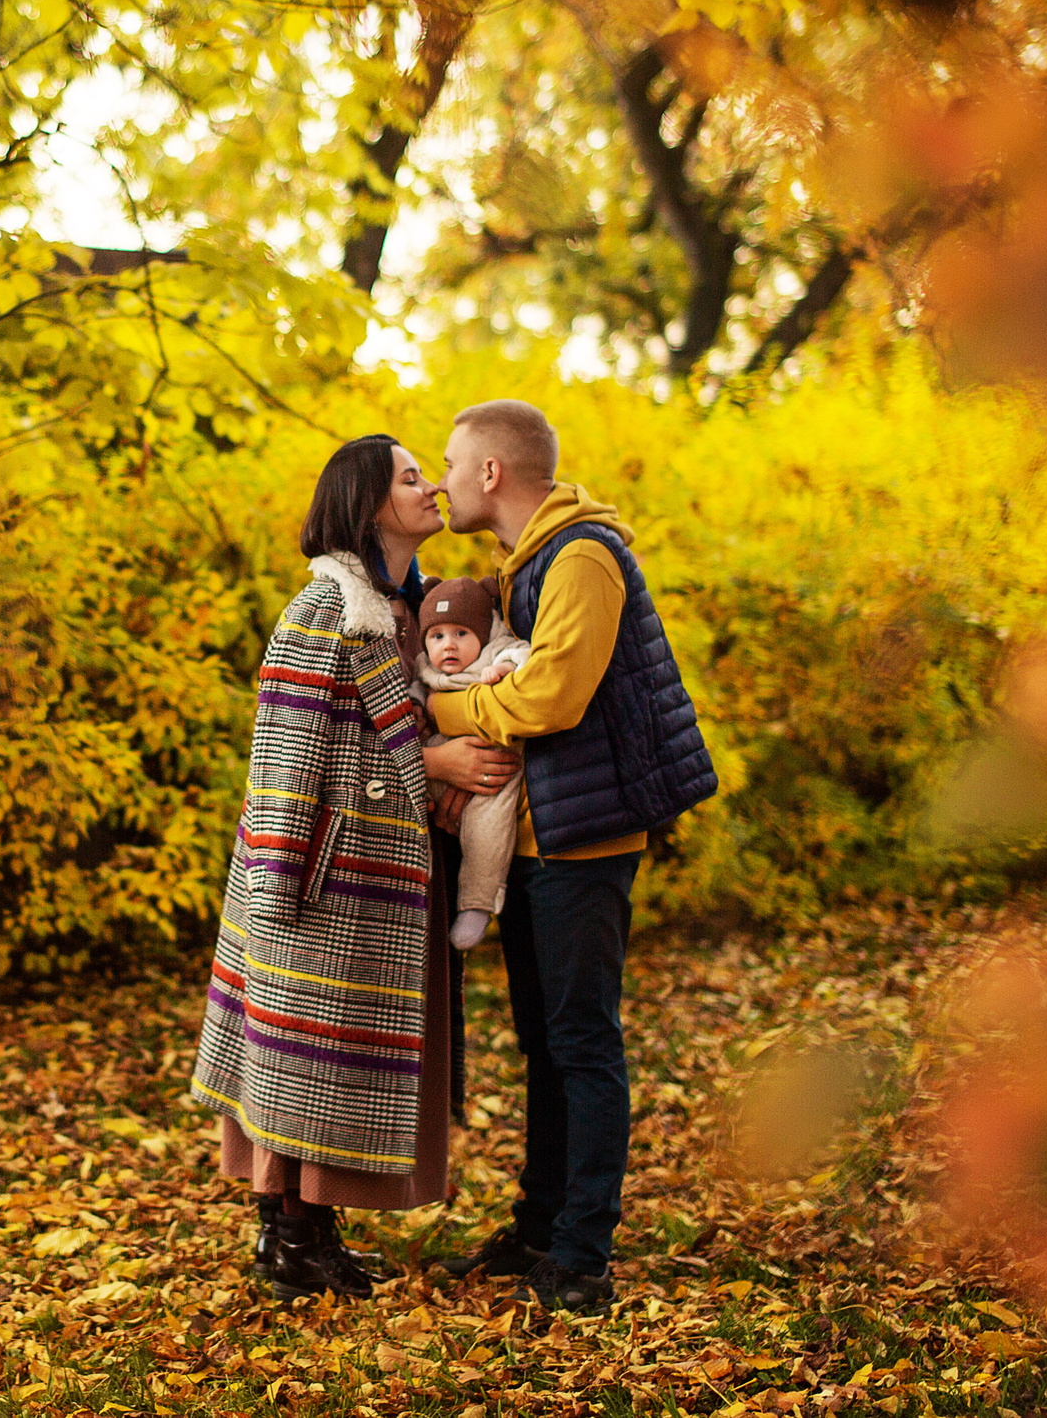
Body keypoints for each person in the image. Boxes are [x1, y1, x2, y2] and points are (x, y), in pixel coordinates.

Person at [189, 432, 519, 1302]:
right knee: (304, 1059)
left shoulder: (404, 608)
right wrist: (432, 768)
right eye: (411, 478)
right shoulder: (323, 610)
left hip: (375, 879)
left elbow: (389, 723)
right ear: (370, 503)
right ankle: (288, 1241)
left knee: (329, 1069)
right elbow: (288, 756)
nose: (430, 490)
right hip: (319, 882)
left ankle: (309, 1235)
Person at [425, 400, 718, 1318]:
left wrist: (439, 717)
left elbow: (549, 696)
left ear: (491, 474)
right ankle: (540, 1224)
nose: (438, 479)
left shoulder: (583, 555)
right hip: (537, 840)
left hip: (587, 841)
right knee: (546, 1043)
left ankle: (583, 1254)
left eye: (448, 462)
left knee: (583, 1041)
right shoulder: (527, 567)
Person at [413, 576, 529, 951]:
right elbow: (414, 691)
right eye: (438, 636)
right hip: (440, 757)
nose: (449, 644)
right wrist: (416, 710)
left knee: (488, 824)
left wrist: (505, 668)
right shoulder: (425, 666)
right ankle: (419, 881)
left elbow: (524, 653)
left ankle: (477, 903)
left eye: (462, 633)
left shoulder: (495, 652)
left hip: (491, 763)